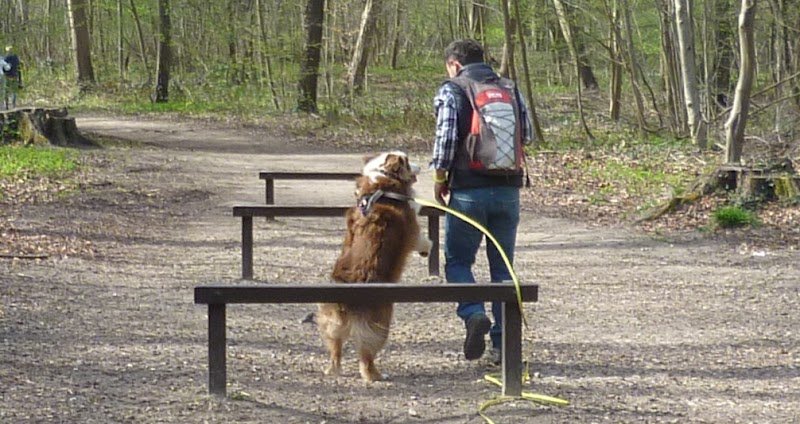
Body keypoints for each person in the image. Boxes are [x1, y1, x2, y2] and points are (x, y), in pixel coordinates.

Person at [430, 39, 533, 364]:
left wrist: (439, 179)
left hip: (468, 192)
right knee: (503, 268)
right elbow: (526, 134)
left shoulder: (453, 88)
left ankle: (473, 312)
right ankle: (503, 347)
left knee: (458, 261)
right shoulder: (509, 88)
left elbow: (445, 141)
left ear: (454, 64)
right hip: (508, 191)